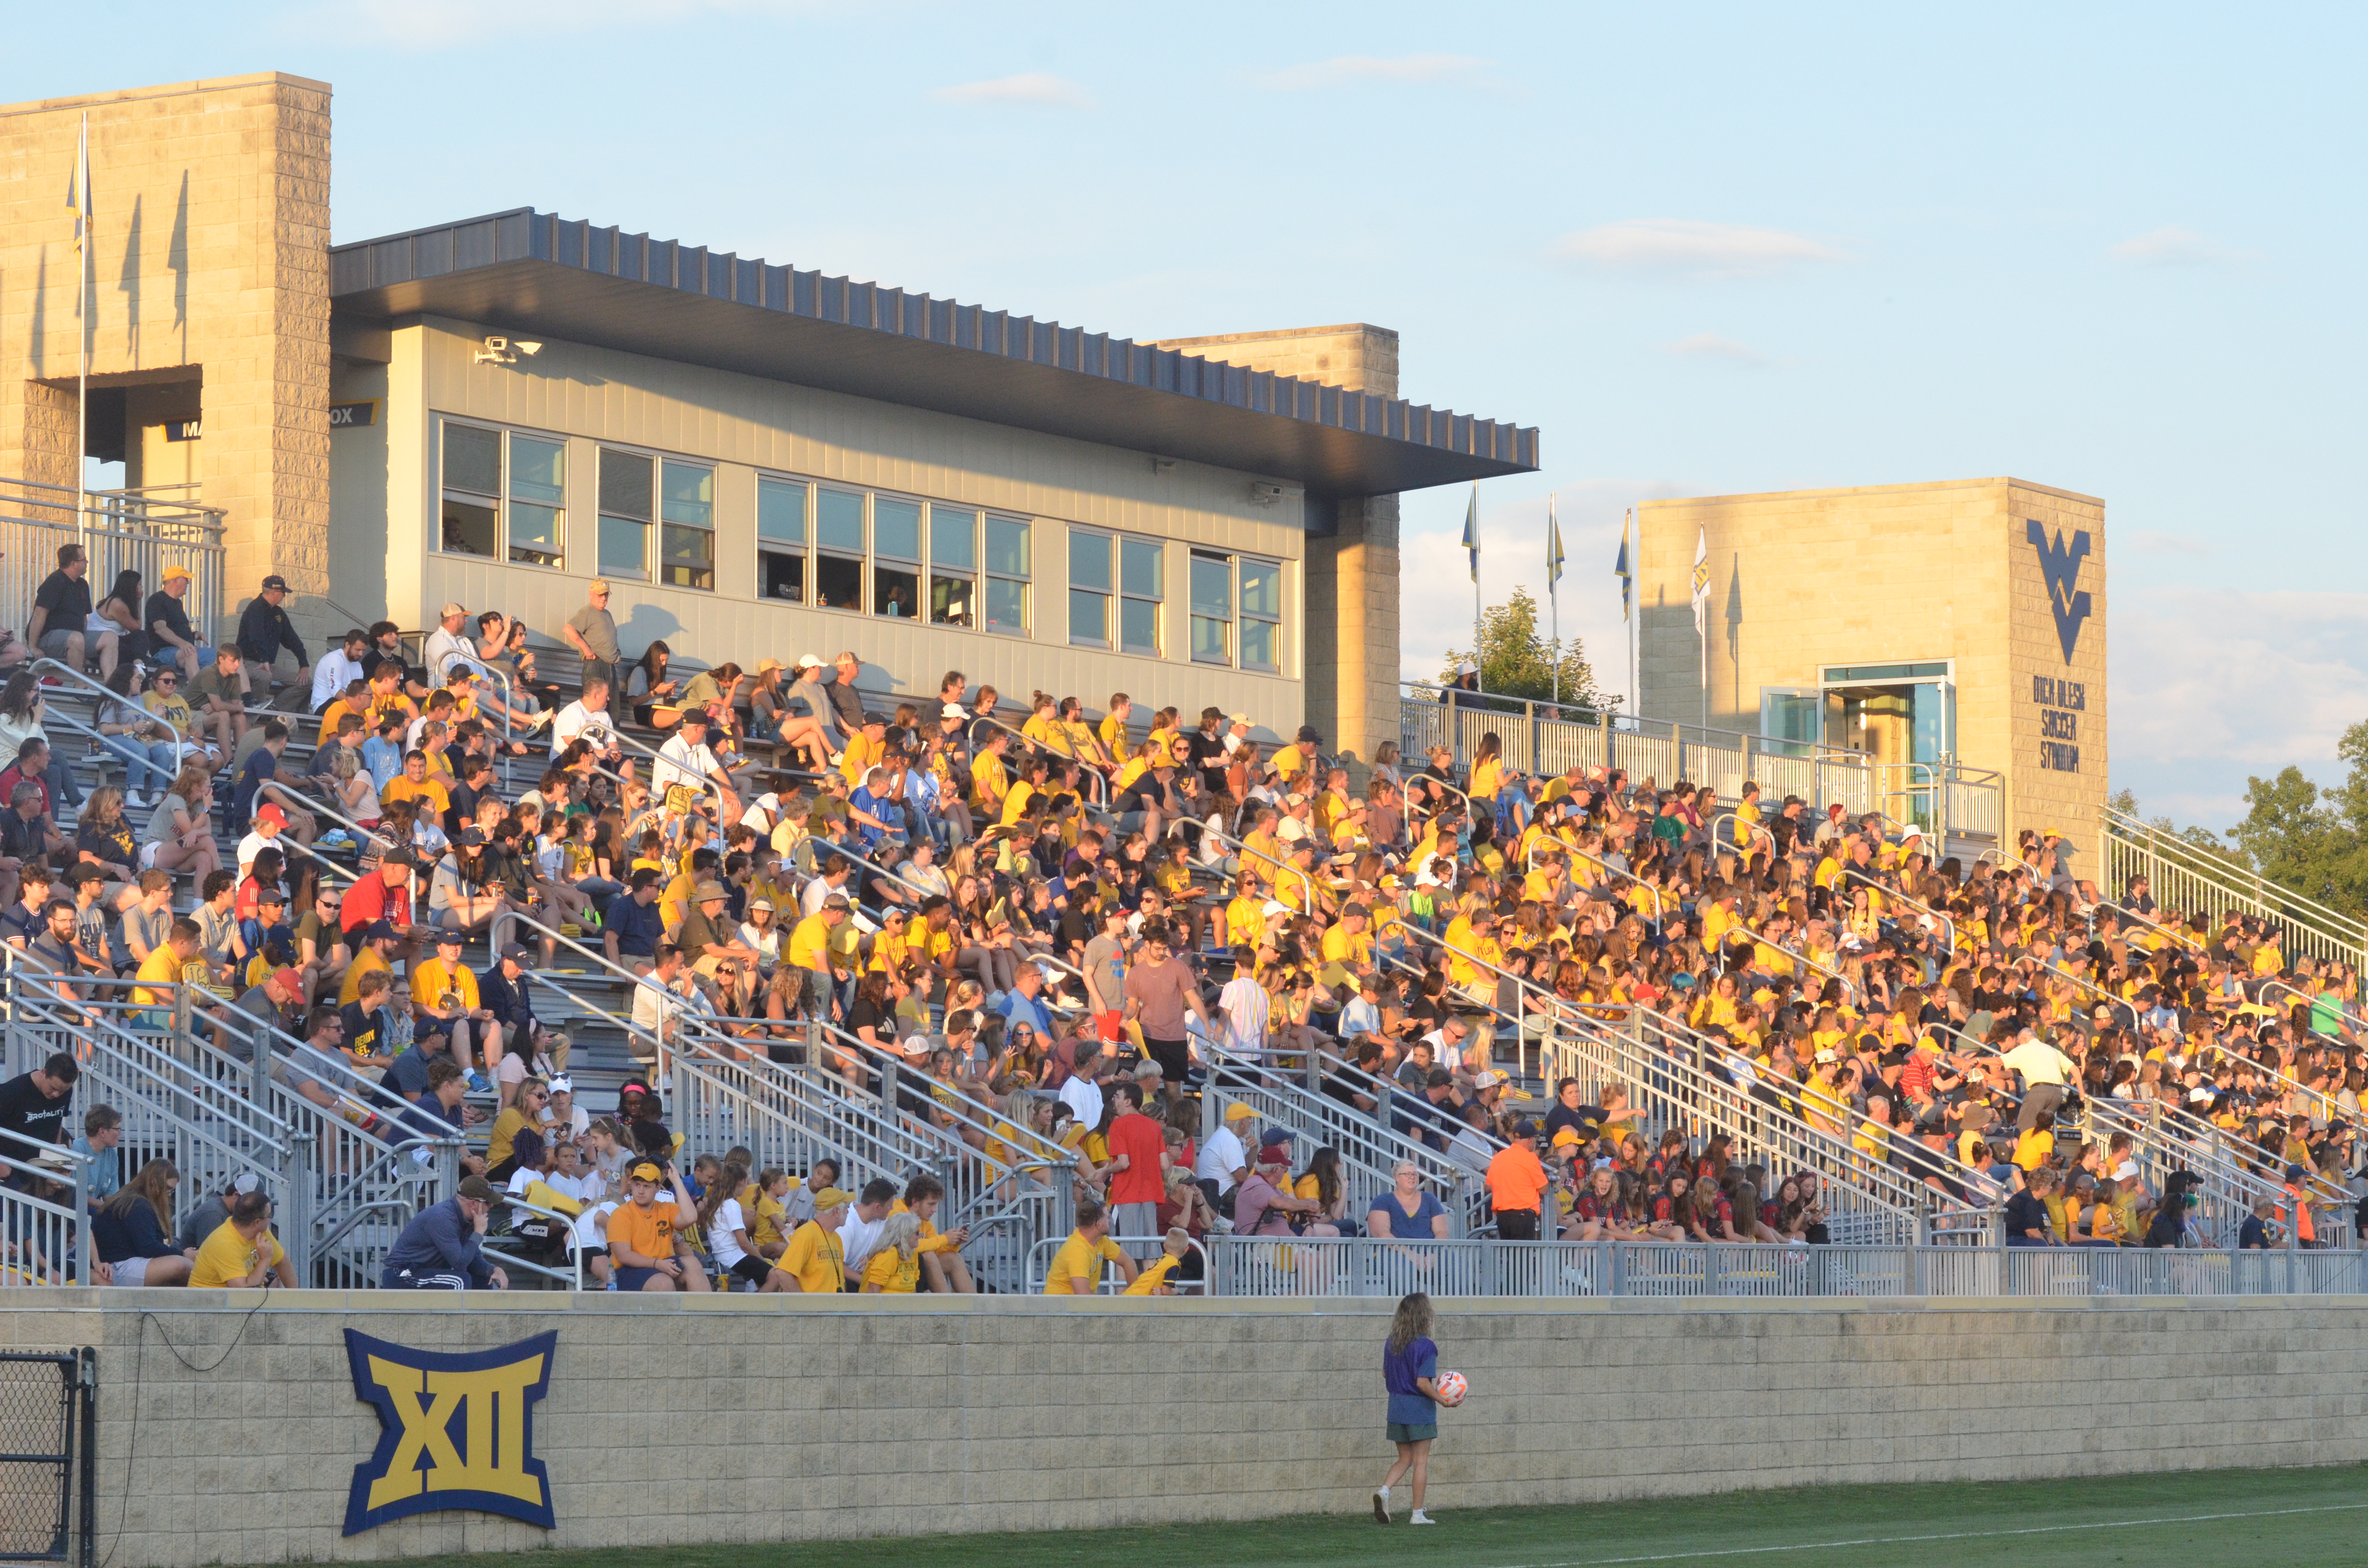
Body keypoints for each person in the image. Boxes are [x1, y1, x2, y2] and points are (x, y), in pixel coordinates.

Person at [1376, 1291, 1443, 1526]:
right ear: (1424, 1316)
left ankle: (1385, 1490)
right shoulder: (1426, 1347)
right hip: (1418, 1408)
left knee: (1405, 1458)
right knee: (1421, 1461)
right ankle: (1417, 1514)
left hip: (1396, 1405)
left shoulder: (1391, 1343)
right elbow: (1423, 1382)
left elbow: (1386, 1373)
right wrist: (1444, 1400)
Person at [381, 1175, 511, 1289]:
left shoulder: (467, 1219)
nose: (491, 1207)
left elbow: (472, 1259)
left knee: (484, 1281)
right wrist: (478, 1233)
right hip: (402, 1274)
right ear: (473, 1204)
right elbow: (460, 1263)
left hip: (424, 1272)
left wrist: (493, 1270)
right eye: (488, 1203)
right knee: (460, 1280)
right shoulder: (443, 1217)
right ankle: (457, 1319)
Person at [607, 1159, 711, 1292]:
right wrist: (657, 1264)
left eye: (647, 1186)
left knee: (692, 1263)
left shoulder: (666, 1208)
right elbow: (624, 1256)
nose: (640, 1191)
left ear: (658, 1188)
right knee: (663, 1282)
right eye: (637, 1185)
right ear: (631, 1185)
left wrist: (677, 1182)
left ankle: (704, 1312)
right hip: (628, 1270)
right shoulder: (621, 1214)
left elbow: (690, 1218)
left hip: (662, 1264)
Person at [189, 1187, 299, 1288]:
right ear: (257, 1222)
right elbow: (243, 1292)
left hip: (239, 1302)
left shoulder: (260, 1232)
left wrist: (298, 1302)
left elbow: (282, 1262)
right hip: (212, 1305)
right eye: (270, 1215)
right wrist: (265, 1259)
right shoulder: (225, 1243)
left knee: (274, 1282)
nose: (270, 1219)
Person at [234, 574, 310, 698]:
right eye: (283, 593)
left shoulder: (278, 613)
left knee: (305, 683)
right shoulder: (255, 609)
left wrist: (304, 664)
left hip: (266, 665)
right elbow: (256, 637)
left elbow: (293, 640)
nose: (284, 596)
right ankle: (254, 712)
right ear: (275, 593)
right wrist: (264, 660)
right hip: (247, 663)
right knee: (265, 677)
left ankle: (276, 711)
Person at [1043, 1199, 1138, 1294]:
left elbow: (1128, 1262)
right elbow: (1084, 1297)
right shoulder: (1077, 1251)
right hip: (1060, 1307)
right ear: (1099, 1224)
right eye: (1107, 1217)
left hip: (1078, 1305)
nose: (1110, 1221)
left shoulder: (1101, 1240)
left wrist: (1134, 1296)